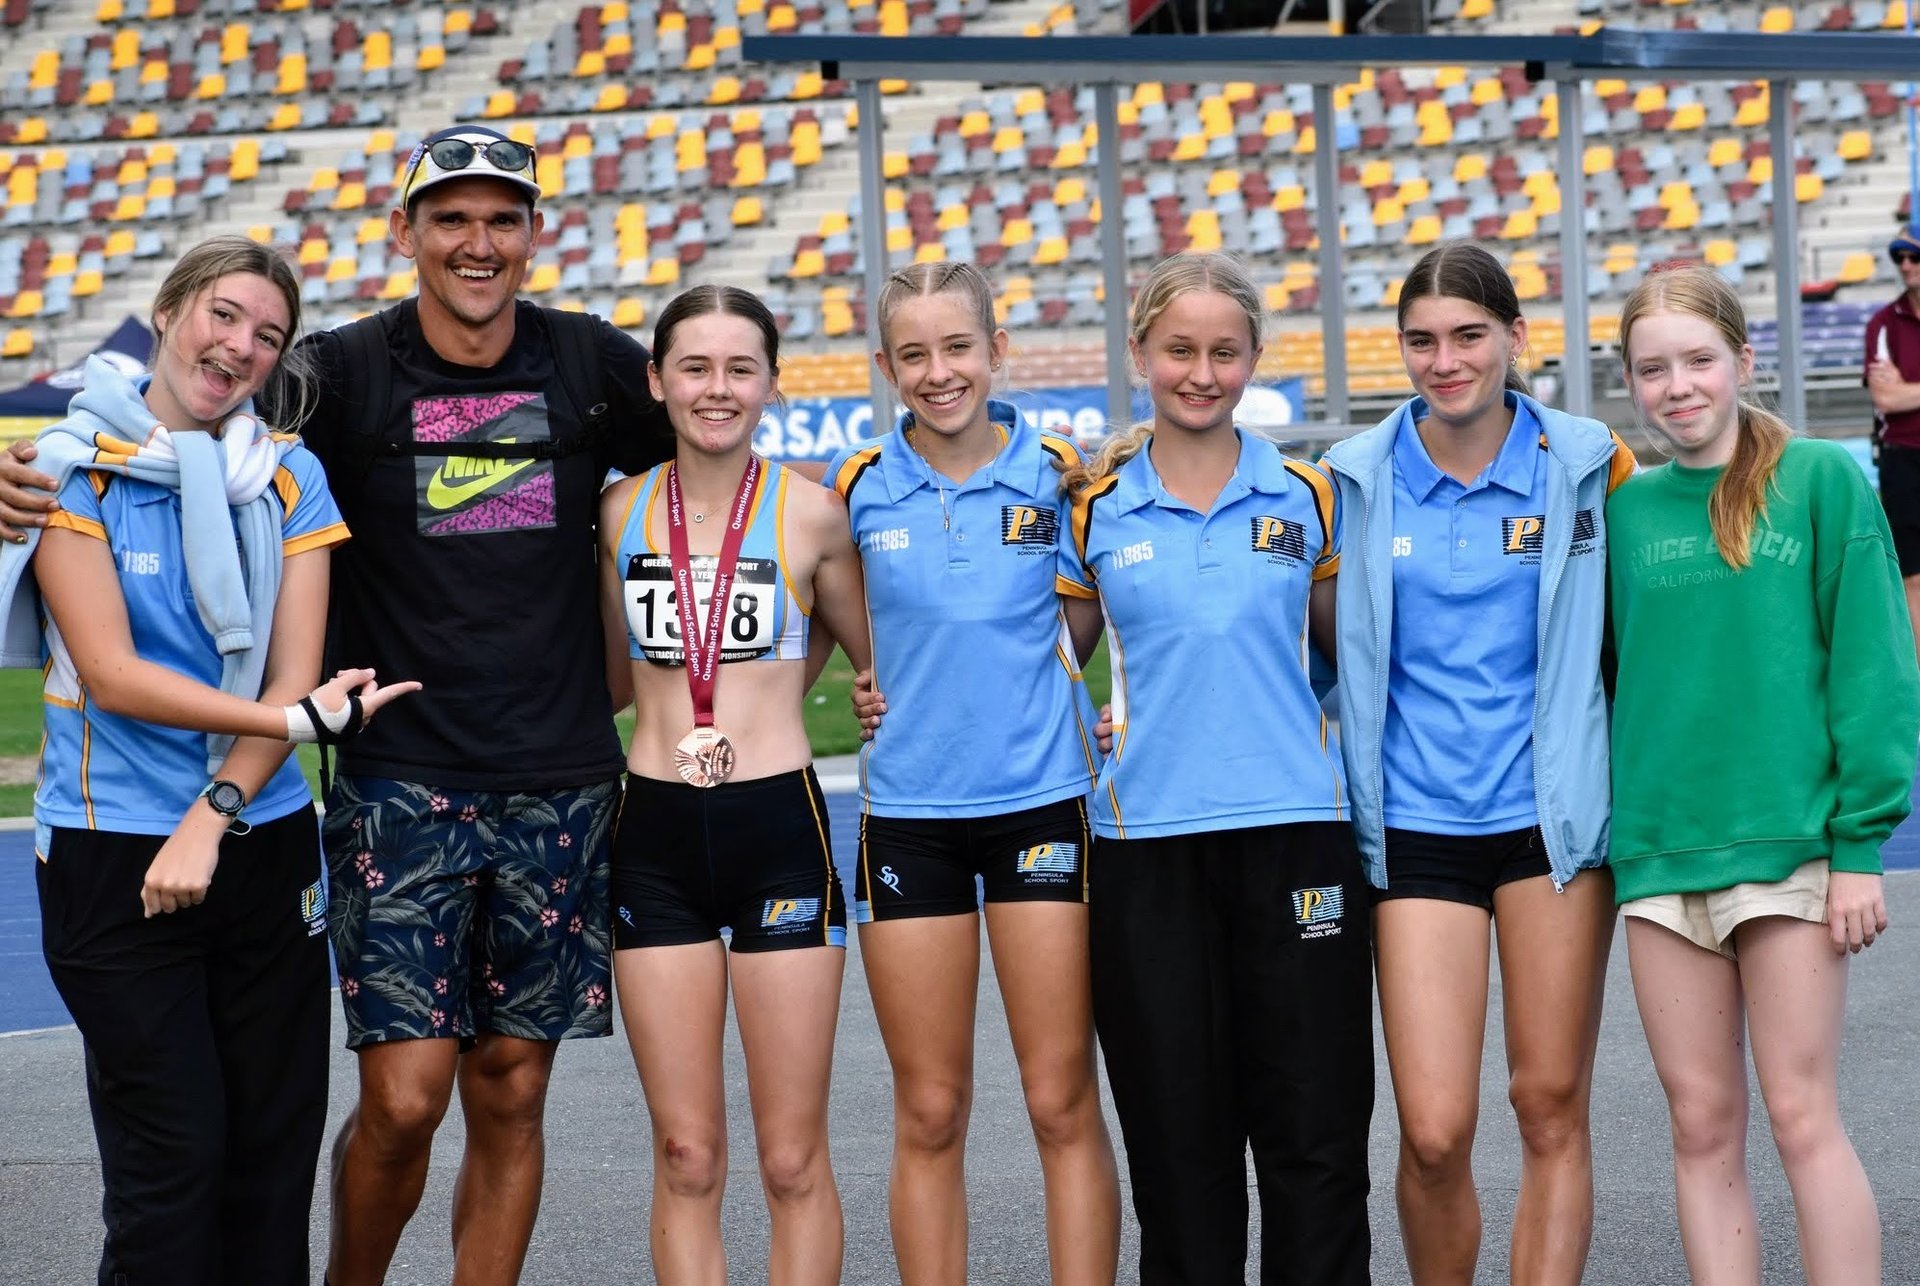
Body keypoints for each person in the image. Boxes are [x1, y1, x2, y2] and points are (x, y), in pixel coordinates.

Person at [0, 125, 676, 1284]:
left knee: (512, 1084)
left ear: (533, 235)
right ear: (404, 231)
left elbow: (701, 474)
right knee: (404, 1098)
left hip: (560, 781)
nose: (478, 242)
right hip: (396, 781)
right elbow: (199, 424)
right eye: (451, 218)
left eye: (502, 218)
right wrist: (25, 467)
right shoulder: (339, 371)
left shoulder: (595, 363)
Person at [5, 236, 416, 1283]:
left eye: (268, 335)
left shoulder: (289, 474)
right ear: (172, 306)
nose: (240, 347)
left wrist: (218, 806)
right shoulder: (64, 467)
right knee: (171, 1164)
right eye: (224, 315)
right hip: (111, 857)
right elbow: (111, 672)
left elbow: (293, 669)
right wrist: (294, 731)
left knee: (271, 1163)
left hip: (260, 846)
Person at [1320, 240, 1632, 1285]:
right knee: (1435, 1129)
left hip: (1550, 827)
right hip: (1414, 827)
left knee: (1547, 1104)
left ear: (1515, 338)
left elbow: (1651, 629)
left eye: (1468, 335)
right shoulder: (1354, 480)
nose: (1445, 359)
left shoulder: (1590, 462)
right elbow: (1283, 632)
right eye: (1422, 339)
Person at [1057, 251, 1371, 1284]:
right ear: (1140, 351)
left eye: (1224, 352)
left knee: (1315, 1140)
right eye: (1180, 350)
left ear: (1253, 360)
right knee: (1179, 1151)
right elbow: (1043, 659)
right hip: (1145, 849)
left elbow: (1361, 654)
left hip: (1296, 836)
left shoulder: (1313, 496)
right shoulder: (1094, 510)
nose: (1202, 372)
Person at [1610, 262, 1919, 1285]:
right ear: (1632, 381)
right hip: (1661, 856)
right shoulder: (1629, 511)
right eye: (1653, 369)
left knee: (1799, 1112)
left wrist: (1859, 845)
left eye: (1698, 359)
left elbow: (1874, 668)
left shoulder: (1822, 480)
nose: (1678, 385)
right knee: (1701, 1126)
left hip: (1789, 848)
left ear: (1743, 359)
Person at [825, 261, 1120, 1285]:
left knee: (1058, 1096)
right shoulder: (859, 486)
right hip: (908, 816)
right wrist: (867, 680)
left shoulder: (1061, 472)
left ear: (998, 352)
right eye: (915, 353)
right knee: (931, 1106)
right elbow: (837, 635)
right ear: (885, 365)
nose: (939, 371)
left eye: (958, 348)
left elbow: (1092, 620)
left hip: (1041, 802)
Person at [599, 284, 871, 1285]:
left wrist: (773, 706)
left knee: (792, 1157)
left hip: (778, 828)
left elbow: (865, 649)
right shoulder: (619, 511)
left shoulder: (813, 514)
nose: (719, 388)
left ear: (771, 382)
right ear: (658, 380)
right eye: (697, 367)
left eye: (740, 368)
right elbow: (610, 676)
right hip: (655, 833)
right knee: (687, 1154)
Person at [1864, 223, 1920, 661]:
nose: (1905, 265)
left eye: (1914, 256)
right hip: (1905, 460)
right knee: (1914, 576)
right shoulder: (1884, 323)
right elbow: (1885, 397)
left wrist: (1910, 390)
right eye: (1898, 256)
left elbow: (1902, 394)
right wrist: (1898, 393)